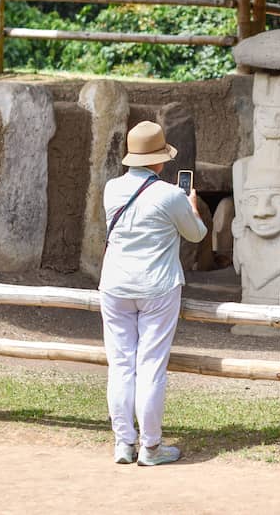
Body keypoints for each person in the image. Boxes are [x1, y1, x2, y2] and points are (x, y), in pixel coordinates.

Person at [99, 120, 207, 465]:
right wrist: (191, 206)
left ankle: (123, 443)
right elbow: (196, 235)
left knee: (120, 365)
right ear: (160, 161)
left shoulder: (111, 189)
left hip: (115, 285)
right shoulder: (171, 195)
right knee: (150, 366)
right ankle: (151, 447)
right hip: (157, 287)